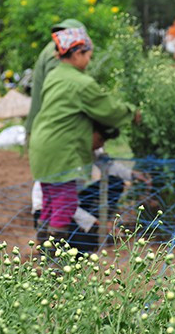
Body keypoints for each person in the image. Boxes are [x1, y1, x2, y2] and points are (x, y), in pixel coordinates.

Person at [29, 27, 139, 246]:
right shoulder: (81, 83)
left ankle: (43, 250)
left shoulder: (55, 75)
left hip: (41, 145)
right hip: (60, 150)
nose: (89, 60)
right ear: (77, 53)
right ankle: (52, 258)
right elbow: (109, 109)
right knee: (66, 203)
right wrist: (132, 112)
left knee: (51, 202)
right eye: (88, 55)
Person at [25, 18, 85, 138]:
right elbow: (61, 91)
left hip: (42, 126)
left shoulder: (52, 49)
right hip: (50, 129)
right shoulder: (56, 55)